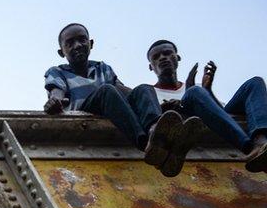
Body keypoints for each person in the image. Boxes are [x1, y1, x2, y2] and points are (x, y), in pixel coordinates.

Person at [45, 23, 202, 178]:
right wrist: (54, 101)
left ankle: (156, 131)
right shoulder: (58, 71)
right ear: (61, 52)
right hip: (85, 110)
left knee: (144, 88)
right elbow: (56, 91)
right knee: (107, 90)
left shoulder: (103, 68)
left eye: (82, 40)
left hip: (110, 106)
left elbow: (125, 91)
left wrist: (154, 104)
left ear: (91, 43)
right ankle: (145, 143)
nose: (77, 45)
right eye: (70, 43)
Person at [147, 40, 267, 173]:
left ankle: (261, 141)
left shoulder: (198, 88)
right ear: (151, 66)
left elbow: (222, 114)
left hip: (215, 120)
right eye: (156, 57)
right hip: (190, 123)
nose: (163, 57)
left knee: (254, 83)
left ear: (177, 57)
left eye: (167, 53)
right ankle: (249, 149)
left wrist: (208, 91)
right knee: (194, 92)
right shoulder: (150, 94)